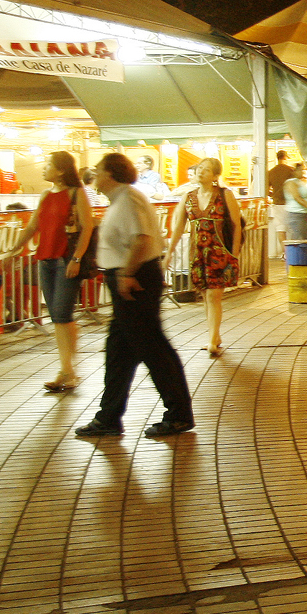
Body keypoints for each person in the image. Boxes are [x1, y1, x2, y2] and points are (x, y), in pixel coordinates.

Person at [74, 153, 194, 440]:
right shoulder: (120, 199)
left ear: (111, 174)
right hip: (128, 277)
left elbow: (142, 239)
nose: (95, 174)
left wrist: (127, 274)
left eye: (99, 170)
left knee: (153, 348)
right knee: (119, 352)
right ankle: (109, 417)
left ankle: (178, 414)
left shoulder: (128, 198)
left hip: (134, 279)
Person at [0, 151, 95, 392]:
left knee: (62, 314)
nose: (43, 169)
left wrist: (76, 258)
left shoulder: (76, 193)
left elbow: (87, 227)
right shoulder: (45, 195)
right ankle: (67, 369)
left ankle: (67, 371)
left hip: (66, 259)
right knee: (58, 317)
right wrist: (13, 250)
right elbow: (33, 226)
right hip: (46, 260)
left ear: (61, 170)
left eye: (48, 165)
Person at [171, 157, 242, 359]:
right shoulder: (188, 196)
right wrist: (169, 253)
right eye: (199, 169)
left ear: (215, 175)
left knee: (213, 296)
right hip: (198, 253)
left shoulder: (225, 194)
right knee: (205, 295)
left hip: (219, 252)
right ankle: (215, 335)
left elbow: (237, 225)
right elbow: (178, 227)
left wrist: (234, 253)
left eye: (206, 170)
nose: (200, 172)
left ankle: (212, 341)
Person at [266, 150, 294, 257]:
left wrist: (273, 194)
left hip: (277, 204)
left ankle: (286, 254)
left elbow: (266, 189)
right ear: (285, 157)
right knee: (292, 229)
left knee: (280, 229)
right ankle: (293, 253)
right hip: (290, 203)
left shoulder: (271, 172)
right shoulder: (290, 170)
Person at [282, 163, 307, 243]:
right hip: (296, 214)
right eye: (301, 170)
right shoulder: (290, 182)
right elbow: (297, 197)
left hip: (305, 214)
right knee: (298, 240)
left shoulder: (302, 182)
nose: (303, 172)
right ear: (295, 171)